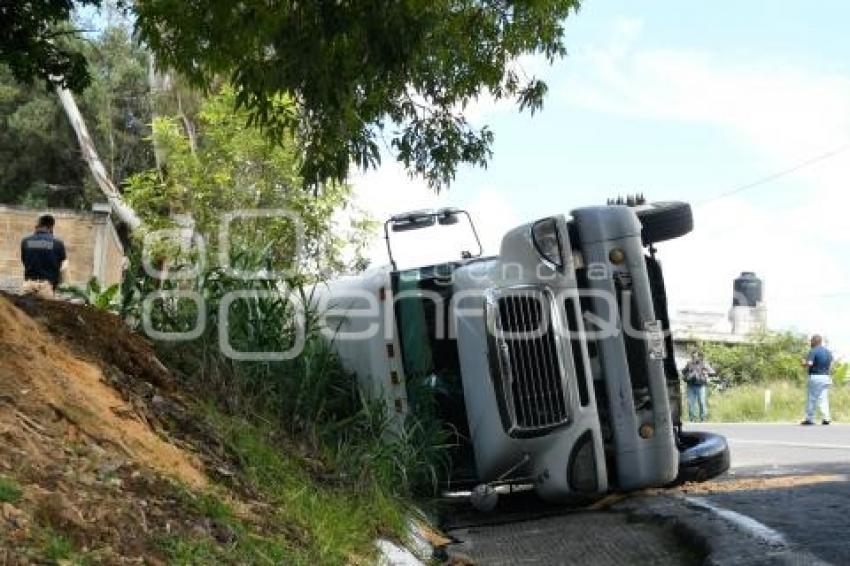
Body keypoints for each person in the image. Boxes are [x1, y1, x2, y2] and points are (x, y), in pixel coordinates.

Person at [20, 214, 67, 299]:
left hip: (28, 287)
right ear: (51, 227)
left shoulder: (25, 241)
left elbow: (24, 262)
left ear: (38, 225)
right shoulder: (58, 243)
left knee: (22, 311)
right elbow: (63, 268)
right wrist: (56, 286)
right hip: (46, 289)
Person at [801, 334, 833, 425]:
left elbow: (810, 363)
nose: (810, 342)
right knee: (823, 398)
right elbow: (830, 365)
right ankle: (826, 418)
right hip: (826, 377)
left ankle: (809, 419)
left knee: (812, 398)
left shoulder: (813, 351)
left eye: (811, 341)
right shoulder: (828, 352)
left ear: (815, 341)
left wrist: (803, 363)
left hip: (815, 376)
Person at [683, 351, 714, 422]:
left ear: (699, 356)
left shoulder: (704, 364)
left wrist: (706, 373)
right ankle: (692, 419)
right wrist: (689, 374)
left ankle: (703, 418)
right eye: (693, 356)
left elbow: (712, 372)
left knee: (702, 402)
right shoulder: (689, 364)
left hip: (700, 386)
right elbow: (683, 372)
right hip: (690, 386)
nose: (694, 357)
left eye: (696, 356)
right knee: (691, 403)